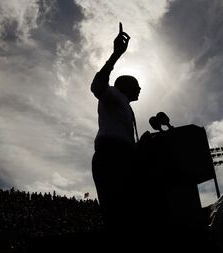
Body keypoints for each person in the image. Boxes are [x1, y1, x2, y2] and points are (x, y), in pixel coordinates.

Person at [90, 23, 141, 233]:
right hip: (112, 155)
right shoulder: (113, 94)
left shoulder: (124, 106)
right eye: (136, 84)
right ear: (125, 86)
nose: (140, 88)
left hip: (123, 155)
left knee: (128, 214)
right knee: (117, 214)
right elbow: (97, 86)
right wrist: (115, 55)